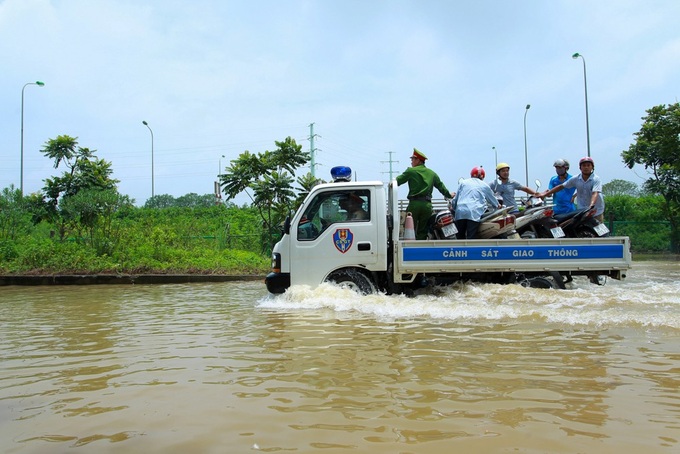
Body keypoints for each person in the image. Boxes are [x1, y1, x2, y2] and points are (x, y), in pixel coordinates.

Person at [396, 148, 452, 240]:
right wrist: (449, 195)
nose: (411, 162)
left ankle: (411, 249)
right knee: (423, 230)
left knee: (410, 228)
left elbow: (397, 181)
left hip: (414, 204)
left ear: (418, 160)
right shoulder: (432, 173)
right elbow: (441, 186)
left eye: (412, 159)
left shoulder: (411, 171)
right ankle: (421, 245)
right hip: (427, 205)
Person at [537, 156, 605, 222]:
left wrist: (591, 206)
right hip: (578, 210)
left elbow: (595, 193)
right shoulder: (575, 179)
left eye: (588, 165)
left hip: (594, 210)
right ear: (580, 167)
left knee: (598, 229)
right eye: (584, 165)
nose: (586, 167)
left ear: (592, 167)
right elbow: (560, 187)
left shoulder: (596, 179)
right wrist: (545, 194)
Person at [451, 166, 499, 239]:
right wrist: (498, 205)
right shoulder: (484, 185)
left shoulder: (463, 182)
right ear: (483, 177)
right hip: (474, 213)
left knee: (460, 237)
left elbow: (455, 199)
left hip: (460, 212)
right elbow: (493, 200)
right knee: (471, 237)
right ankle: (471, 250)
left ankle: (460, 250)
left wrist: (454, 208)